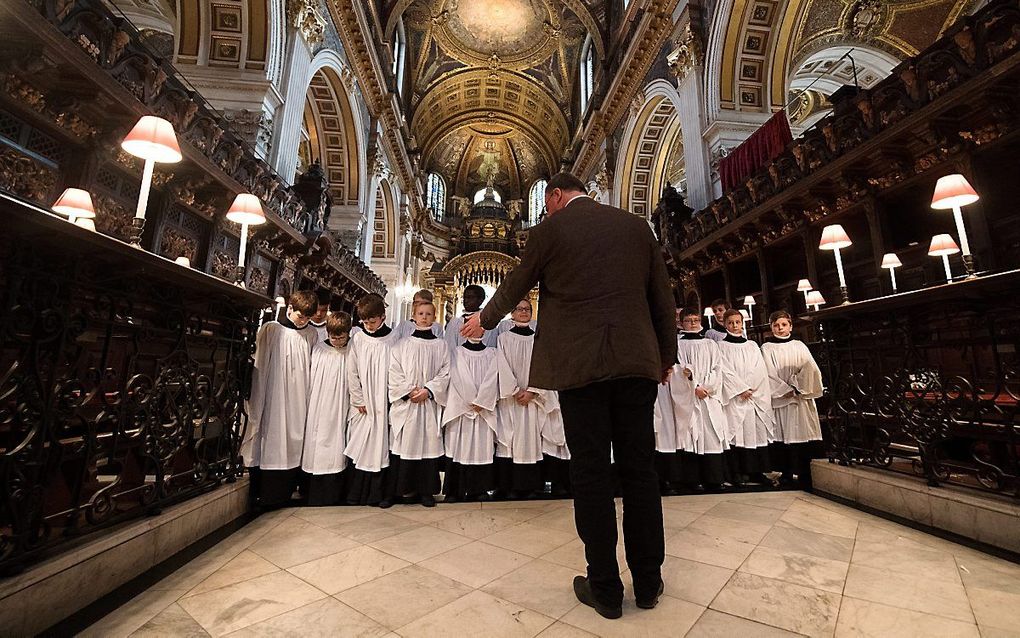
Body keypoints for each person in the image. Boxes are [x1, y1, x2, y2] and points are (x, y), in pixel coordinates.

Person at [461, 171, 675, 619]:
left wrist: (485, 318)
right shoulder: (637, 227)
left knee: (592, 473)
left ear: (556, 195)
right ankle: (650, 582)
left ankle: (606, 588)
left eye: (546, 202)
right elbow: (662, 298)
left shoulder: (550, 230)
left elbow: (517, 282)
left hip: (581, 368)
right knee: (640, 472)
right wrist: (666, 356)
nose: (545, 210)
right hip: (637, 363)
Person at [242, 290, 320, 509]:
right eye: (300, 315)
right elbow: (261, 366)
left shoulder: (311, 334)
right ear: (291, 309)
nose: (303, 320)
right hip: (275, 395)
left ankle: (287, 491)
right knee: (273, 440)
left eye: (308, 317)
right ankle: (267, 495)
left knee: (295, 441)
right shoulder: (273, 330)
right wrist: (259, 400)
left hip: (300, 398)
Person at [493, 299, 565, 499]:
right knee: (510, 440)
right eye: (519, 309)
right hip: (512, 400)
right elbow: (502, 366)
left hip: (534, 400)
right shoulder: (504, 339)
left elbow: (545, 366)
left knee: (533, 441)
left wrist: (533, 391)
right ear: (512, 314)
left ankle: (533, 486)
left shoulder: (539, 339)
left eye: (527, 309)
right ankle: (509, 487)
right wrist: (515, 390)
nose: (523, 312)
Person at [387, 301, 450, 507]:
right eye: (421, 313)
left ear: (434, 317)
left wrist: (429, 390)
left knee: (427, 446)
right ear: (413, 316)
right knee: (405, 446)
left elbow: (445, 373)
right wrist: (408, 391)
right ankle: (402, 491)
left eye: (429, 314)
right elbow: (394, 372)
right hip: (408, 405)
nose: (424, 317)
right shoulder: (401, 344)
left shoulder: (441, 345)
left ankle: (426, 492)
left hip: (428, 405)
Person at [344, 294, 400, 506]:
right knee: (363, 445)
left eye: (372, 321)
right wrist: (358, 399)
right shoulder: (359, 339)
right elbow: (352, 371)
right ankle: (357, 493)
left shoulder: (393, 339)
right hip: (364, 403)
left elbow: (397, 370)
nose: (368, 325)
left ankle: (381, 494)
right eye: (364, 322)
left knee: (383, 447)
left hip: (384, 400)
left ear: (383, 317)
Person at [761, 310, 825, 487]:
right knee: (784, 435)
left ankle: (806, 472)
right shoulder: (766, 348)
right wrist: (785, 389)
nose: (780, 328)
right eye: (776, 325)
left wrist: (798, 386)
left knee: (804, 434)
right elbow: (767, 373)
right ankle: (786, 472)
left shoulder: (799, 345)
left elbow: (811, 368)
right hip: (782, 399)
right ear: (771, 327)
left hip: (801, 398)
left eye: (783, 324)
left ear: (790, 325)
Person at [674, 307, 731, 491]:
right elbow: (679, 369)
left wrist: (707, 387)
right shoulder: (677, 344)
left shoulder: (710, 344)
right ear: (681, 323)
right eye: (689, 320)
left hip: (709, 396)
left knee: (712, 433)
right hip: (688, 396)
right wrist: (694, 386)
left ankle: (714, 479)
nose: (692, 323)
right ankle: (693, 480)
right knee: (692, 435)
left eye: (696, 320)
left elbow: (717, 368)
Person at [717, 309, 774, 486]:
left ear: (743, 323)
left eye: (737, 322)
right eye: (731, 323)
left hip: (753, 396)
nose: (735, 326)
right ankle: (737, 473)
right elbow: (724, 370)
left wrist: (751, 389)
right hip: (735, 398)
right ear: (725, 325)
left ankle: (756, 472)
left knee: (754, 433)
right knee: (736, 433)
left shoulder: (752, 346)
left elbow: (760, 369)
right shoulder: (720, 346)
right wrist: (740, 389)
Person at [442, 328, 500, 502]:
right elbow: (456, 377)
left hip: (483, 410)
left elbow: (493, 378)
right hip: (461, 409)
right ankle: (454, 490)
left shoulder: (493, 354)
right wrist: (470, 400)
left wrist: (482, 400)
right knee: (458, 446)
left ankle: (479, 489)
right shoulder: (456, 353)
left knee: (481, 447)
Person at [301, 312, 352, 506]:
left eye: (341, 337)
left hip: (341, 406)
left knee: (336, 447)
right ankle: (312, 491)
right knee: (316, 444)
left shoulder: (351, 351)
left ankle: (335, 493)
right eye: (333, 337)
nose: (337, 341)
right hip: (319, 405)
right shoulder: (320, 349)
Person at [446, 284, 498, 350]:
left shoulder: (489, 324)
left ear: (481, 300)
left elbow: (492, 347)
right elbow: (449, 347)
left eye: (470, 297)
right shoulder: (454, 323)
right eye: (464, 297)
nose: (466, 301)